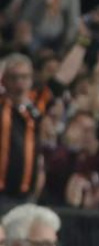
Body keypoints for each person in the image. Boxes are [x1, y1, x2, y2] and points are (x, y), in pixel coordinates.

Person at [0, 54, 41, 202]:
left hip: (26, 194)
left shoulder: (36, 108)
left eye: (24, 77)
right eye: (14, 77)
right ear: (4, 80)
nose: (19, 83)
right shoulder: (2, 106)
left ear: (31, 79)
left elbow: (60, 81)